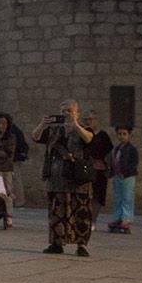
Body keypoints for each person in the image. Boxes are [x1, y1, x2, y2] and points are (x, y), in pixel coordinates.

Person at [34, 100, 94, 256]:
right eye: (63, 111)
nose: (65, 114)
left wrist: (76, 125)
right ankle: (57, 243)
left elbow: (89, 139)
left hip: (78, 179)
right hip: (57, 178)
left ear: (77, 113)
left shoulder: (83, 129)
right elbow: (35, 137)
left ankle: (81, 245)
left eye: (69, 110)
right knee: (57, 212)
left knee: (80, 212)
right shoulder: (54, 131)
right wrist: (42, 124)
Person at [0, 113, 21, 211]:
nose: (1, 125)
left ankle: (8, 214)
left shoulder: (11, 137)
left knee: (6, 191)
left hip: (5, 168)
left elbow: (9, 153)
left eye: (3, 123)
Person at [108, 125, 138, 234]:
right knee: (118, 197)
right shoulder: (117, 149)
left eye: (124, 134)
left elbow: (134, 164)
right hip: (117, 176)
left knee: (127, 198)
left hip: (127, 177)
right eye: (119, 134)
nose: (122, 136)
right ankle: (118, 217)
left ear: (129, 135)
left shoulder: (132, 149)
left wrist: (125, 172)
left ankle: (126, 218)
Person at [83, 110, 111, 216]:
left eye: (90, 119)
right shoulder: (80, 134)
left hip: (98, 170)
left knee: (97, 196)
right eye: (85, 119)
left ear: (95, 120)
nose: (87, 122)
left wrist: (107, 168)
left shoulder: (103, 136)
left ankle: (93, 219)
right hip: (84, 170)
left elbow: (108, 153)